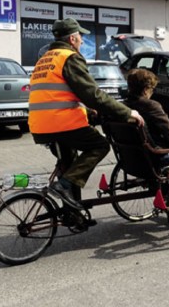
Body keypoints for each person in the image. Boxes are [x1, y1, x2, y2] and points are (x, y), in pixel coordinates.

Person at [29, 18, 144, 210]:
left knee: (70, 164)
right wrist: (127, 113)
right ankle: (64, 185)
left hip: (40, 125)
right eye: (80, 36)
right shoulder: (69, 57)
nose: (82, 40)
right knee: (99, 146)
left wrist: (89, 111)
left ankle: (72, 213)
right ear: (73, 38)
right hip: (60, 123)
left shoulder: (44, 59)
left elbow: (59, 95)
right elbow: (93, 94)